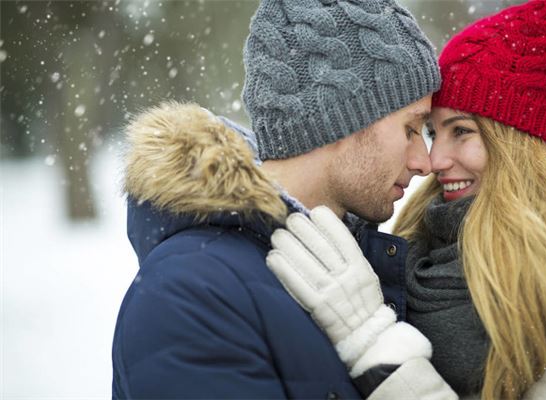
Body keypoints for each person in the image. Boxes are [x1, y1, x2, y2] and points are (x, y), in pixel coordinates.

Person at [111, 0, 456, 398]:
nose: (425, 162)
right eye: (412, 129)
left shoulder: (350, 267)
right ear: (339, 116)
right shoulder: (190, 295)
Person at [267, 1, 546, 399]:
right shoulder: (415, 244)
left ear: (524, 146)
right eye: (429, 131)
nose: (434, 161)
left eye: (461, 131)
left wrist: (371, 340)